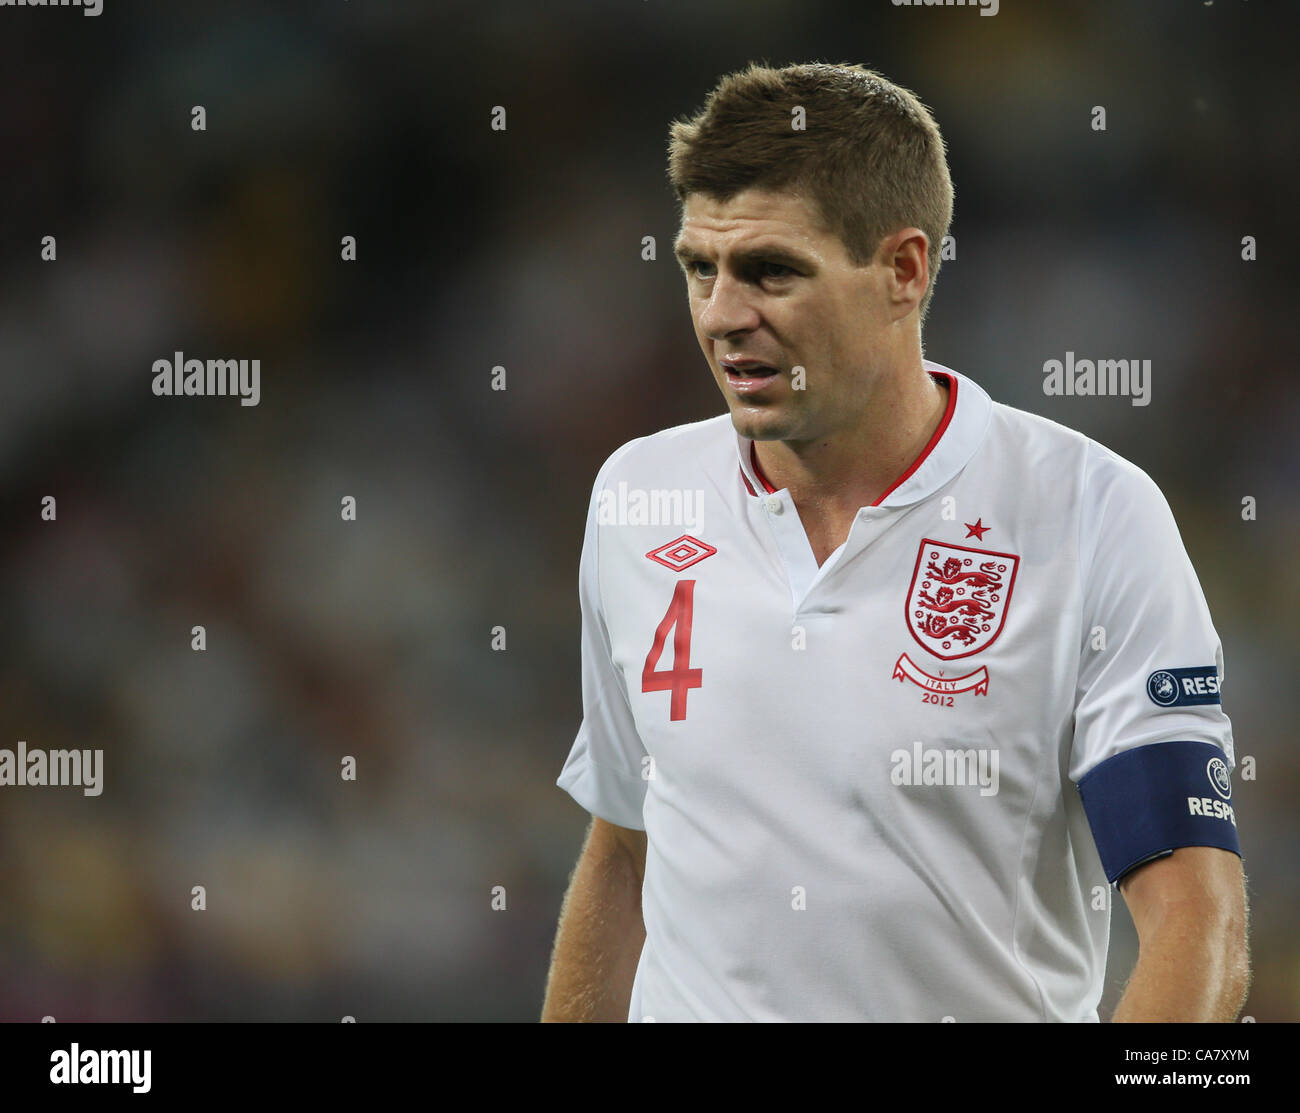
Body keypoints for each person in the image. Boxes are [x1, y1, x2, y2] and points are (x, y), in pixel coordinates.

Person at [541, 61, 1248, 1022]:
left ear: (905, 271)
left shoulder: (1091, 515)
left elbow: (1197, 924)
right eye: (698, 267)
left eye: (771, 271)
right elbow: (626, 851)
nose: (720, 315)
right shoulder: (638, 496)